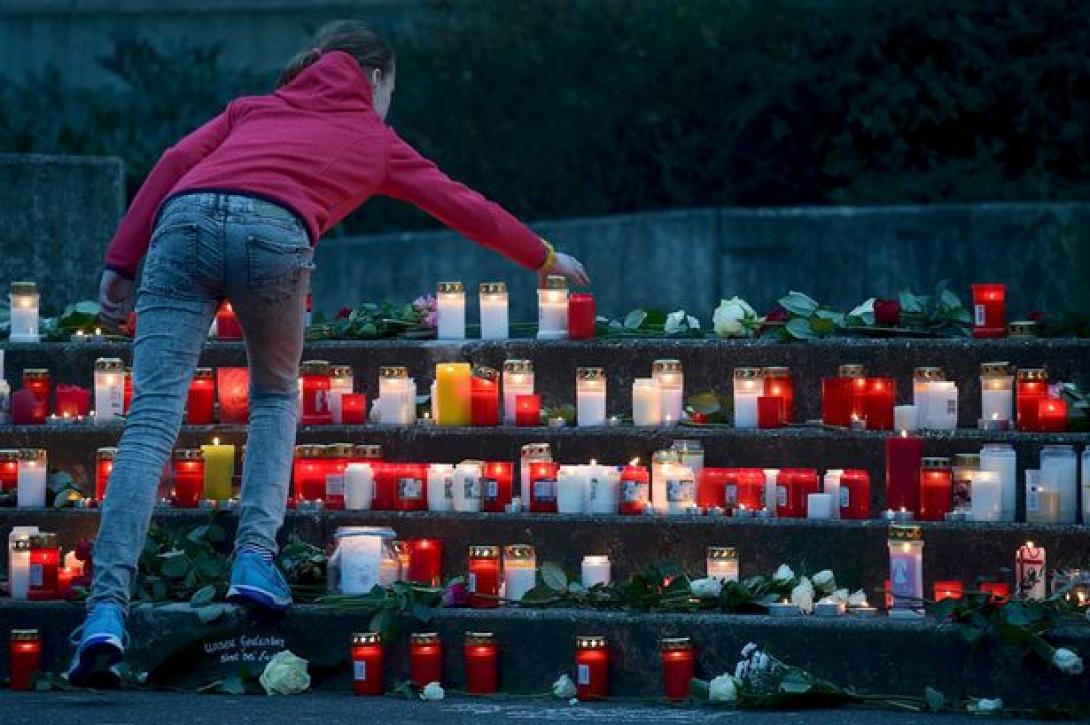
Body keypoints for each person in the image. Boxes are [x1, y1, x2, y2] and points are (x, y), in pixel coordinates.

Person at [68, 19, 589, 687]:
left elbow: (173, 162)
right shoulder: (373, 137)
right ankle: (255, 556)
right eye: (389, 91)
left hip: (181, 221)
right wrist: (541, 255)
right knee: (276, 393)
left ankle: (107, 607)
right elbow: (463, 205)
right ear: (374, 78)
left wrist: (119, 260)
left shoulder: (253, 108)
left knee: (149, 422)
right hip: (273, 232)